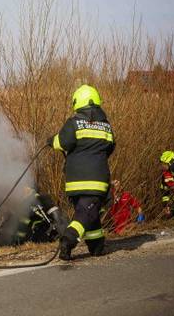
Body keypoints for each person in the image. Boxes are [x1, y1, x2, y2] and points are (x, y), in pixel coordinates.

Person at [48, 84, 115, 260]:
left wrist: (51, 140)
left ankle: (97, 246)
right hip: (97, 181)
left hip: (75, 182)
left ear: (77, 102)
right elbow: (110, 147)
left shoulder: (74, 123)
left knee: (89, 213)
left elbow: (62, 143)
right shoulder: (106, 126)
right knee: (86, 213)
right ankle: (68, 240)